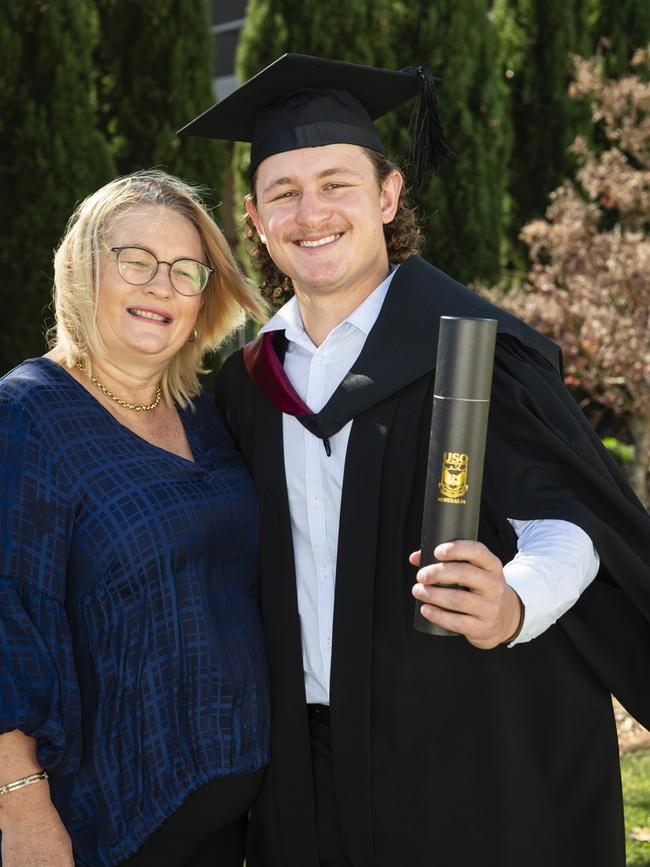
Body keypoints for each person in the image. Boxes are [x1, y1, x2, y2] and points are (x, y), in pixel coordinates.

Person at [180, 55, 650, 867]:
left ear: (388, 196)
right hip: (308, 765)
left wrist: (514, 602)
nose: (311, 211)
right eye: (283, 192)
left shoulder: (470, 350)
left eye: (337, 183)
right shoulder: (248, 383)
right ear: (253, 217)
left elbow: (569, 524)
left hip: (463, 751)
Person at [0, 170, 271, 867]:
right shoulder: (28, 415)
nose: (161, 287)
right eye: (137, 261)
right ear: (85, 269)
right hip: (113, 832)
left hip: (237, 823)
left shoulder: (203, 415)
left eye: (186, 271)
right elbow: (6, 623)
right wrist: (23, 811)